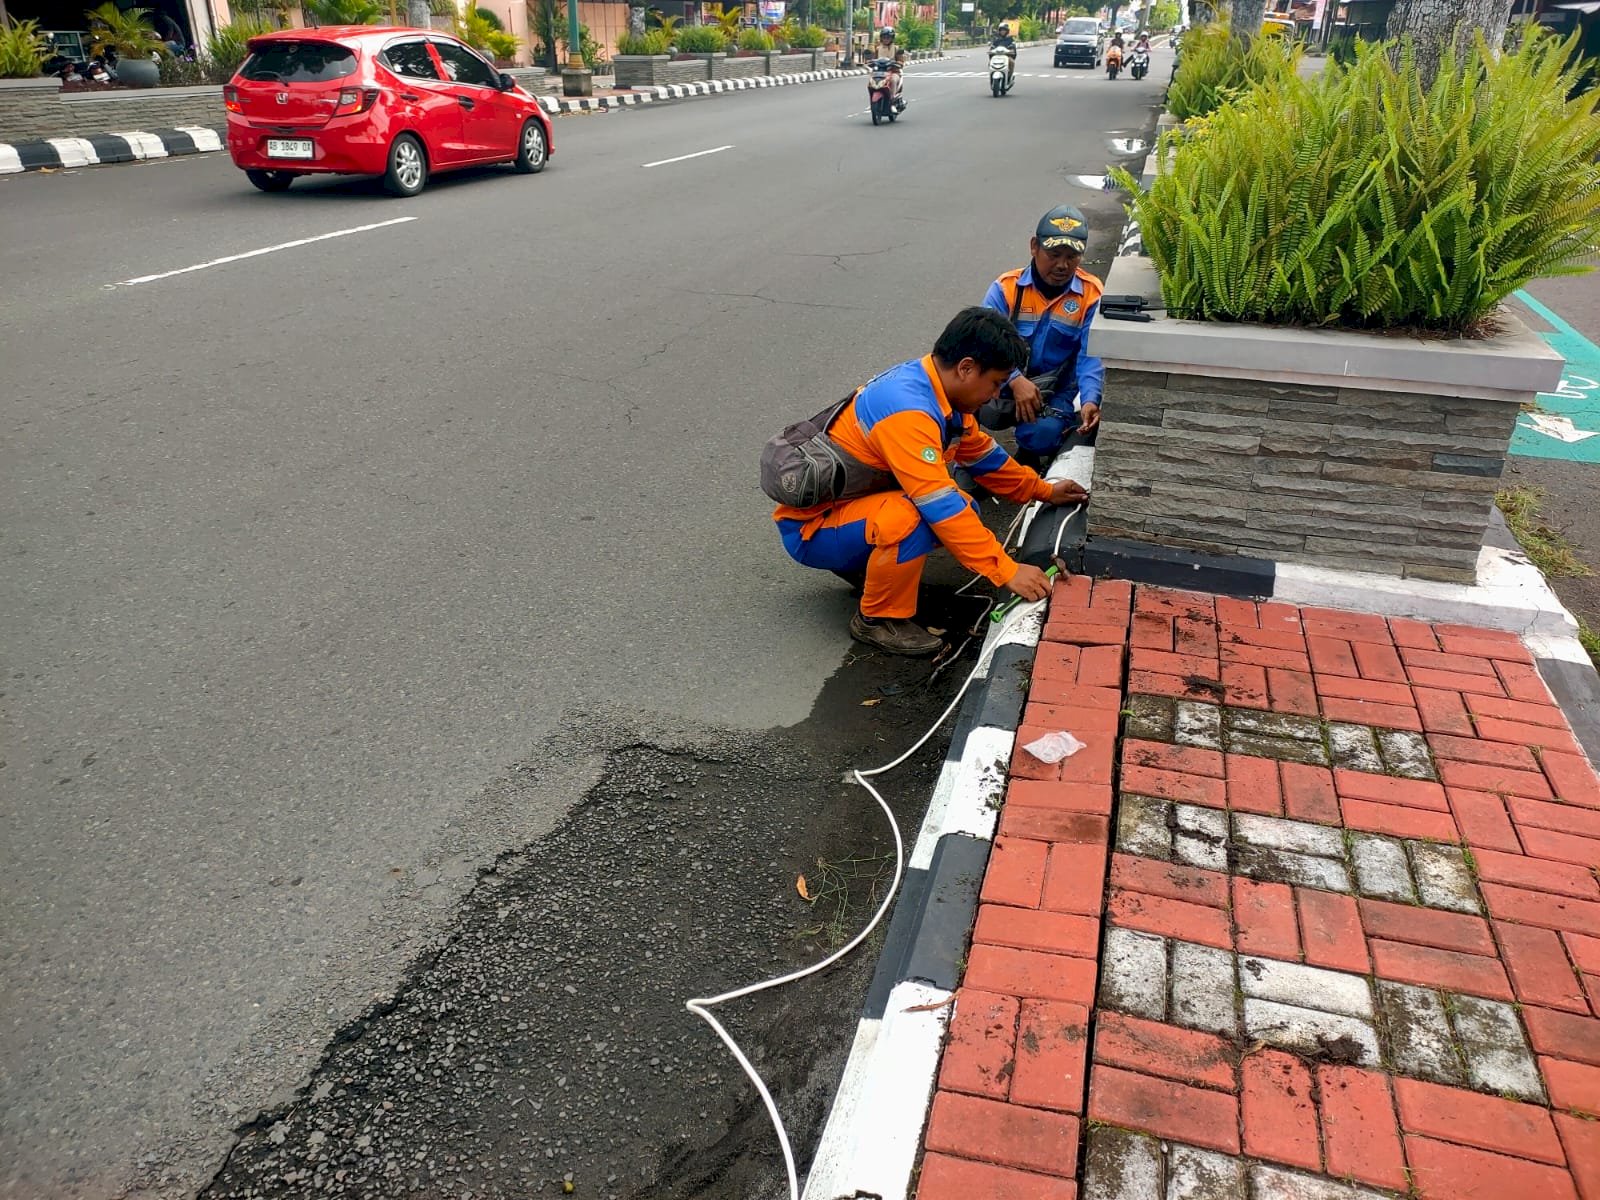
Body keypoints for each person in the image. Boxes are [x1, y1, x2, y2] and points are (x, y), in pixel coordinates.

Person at [772, 308, 1089, 656]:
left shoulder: (940, 394)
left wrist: (1042, 491)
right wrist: (1006, 570)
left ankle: (871, 573)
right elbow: (939, 505)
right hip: (812, 530)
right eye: (996, 383)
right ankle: (877, 620)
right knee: (916, 518)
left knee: (959, 506)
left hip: (850, 513)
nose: (998, 394)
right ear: (966, 367)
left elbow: (985, 458)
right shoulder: (908, 411)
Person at [978, 204, 1106, 464]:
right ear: (1034, 246)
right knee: (961, 399)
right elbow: (982, 341)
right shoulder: (1006, 288)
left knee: (1041, 436)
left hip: (1054, 390)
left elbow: (1090, 355)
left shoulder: (1091, 295)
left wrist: (1092, 398)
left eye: (1072, 256)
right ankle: (969, 460)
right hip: (1003, 382)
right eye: (1054, 254)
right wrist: (1014, 380)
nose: (1062, 265)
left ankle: (1031, 450)